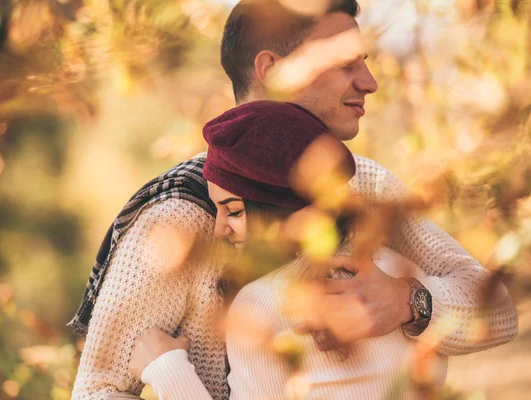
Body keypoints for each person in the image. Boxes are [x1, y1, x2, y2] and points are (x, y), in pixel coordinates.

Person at [70, 1, 518, 399]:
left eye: (365, 62)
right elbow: (98, 391)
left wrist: (410, 302)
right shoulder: (176, 217)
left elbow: (498, 313)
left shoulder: (369, 187)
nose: (371, 82)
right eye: (346, 64)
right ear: (273, 71)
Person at [130, 100, 438, 400]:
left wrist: (167, 369)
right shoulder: (400, 273)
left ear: (277, 208)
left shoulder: (261, 304)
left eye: (234, 211)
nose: (218, 229)